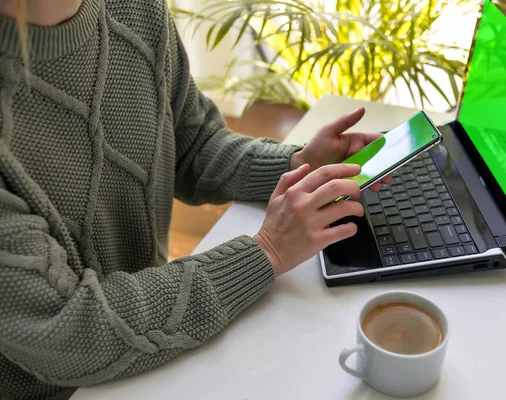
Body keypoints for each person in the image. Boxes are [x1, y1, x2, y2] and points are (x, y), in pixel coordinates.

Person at [0, 0, 392, 399]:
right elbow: (68, 331)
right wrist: (267, 251)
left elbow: (193, 141)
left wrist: (296, 165)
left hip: (158, 333)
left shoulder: (137, 9)